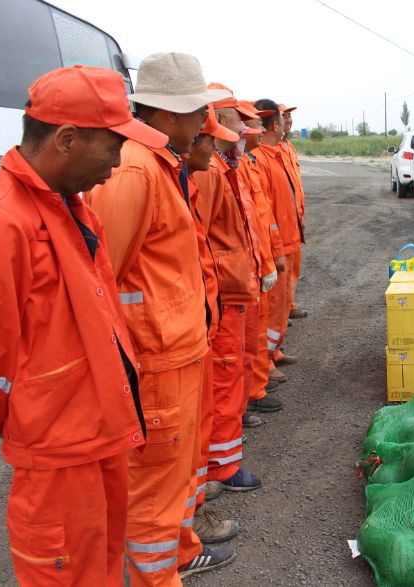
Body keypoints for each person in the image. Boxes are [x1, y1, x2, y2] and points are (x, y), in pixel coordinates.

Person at [0, 64, 164, 587]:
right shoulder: (1, 221)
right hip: (59, 456)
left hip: (98, 436)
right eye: (112, 146)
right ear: (66, 139)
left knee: (103, 568)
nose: (117, 164)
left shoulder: (70, 208)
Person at [85, 52, 236, 583]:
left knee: (179, 475)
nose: (204, 124)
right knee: (152, 490)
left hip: (180, 353)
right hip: (155, 363)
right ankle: (158, 574)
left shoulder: (161, 166)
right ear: (168, 114)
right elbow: (98, 277)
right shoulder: (133, 170)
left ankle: (177, 553)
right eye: (198, 112)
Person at [191, 83, 279, 501]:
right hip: (223, 294)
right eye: (237, 121)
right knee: (225, 376)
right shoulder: (210, 172)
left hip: (236, 286)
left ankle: (226, 453)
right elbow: (201, 240)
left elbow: (249, 225)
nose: (246, 129)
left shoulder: (229, 165)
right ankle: (222, 466)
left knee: (236, 368)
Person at [185, 104, 243, 539]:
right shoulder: (198, 172)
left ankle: (218, 467)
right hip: (178, 332)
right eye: (240, 121)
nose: (246, 129)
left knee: (222, 385)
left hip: (204, 308)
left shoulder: (216, 167)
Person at [238, 101, 287, 418]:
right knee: (247, 337)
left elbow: (264, 215)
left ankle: (260, 375)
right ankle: (254, 388)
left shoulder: (249, 163)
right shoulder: (247, 163)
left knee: (261, 326)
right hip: (244, 270)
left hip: (262, 259)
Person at [253, 99, 302, 383]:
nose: (287, 122)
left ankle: (275, 351)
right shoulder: (261, 159)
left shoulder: (279, 153)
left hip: (290, 238)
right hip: (278, 244)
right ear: (275, 124)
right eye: (282, 119)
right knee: (271, 308)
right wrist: (274, 248)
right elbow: (264, 210)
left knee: (282, 304)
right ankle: (265, 363)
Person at [277, 103, 309, 319]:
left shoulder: (289, 147)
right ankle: (279, 312)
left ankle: (289, 306)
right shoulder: (269, 150)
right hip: (281, 222)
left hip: (295, 219)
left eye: (289, 117)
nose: (287, 120)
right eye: (283, 116)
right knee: (282, 271)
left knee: (293, 269)